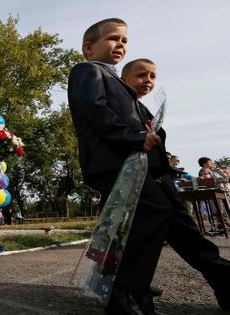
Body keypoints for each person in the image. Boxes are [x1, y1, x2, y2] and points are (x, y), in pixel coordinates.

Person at [68, 18, 230, 315]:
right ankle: (123, 291)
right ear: (88, 48)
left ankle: (138, 291)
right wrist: (132, 137)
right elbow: (93, 110)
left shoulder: (121, 86)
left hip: (146, 169)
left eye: (125, 41)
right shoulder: (87, 70)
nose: (120, 45)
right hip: (114, 163)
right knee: (155, 212)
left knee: (175, 222)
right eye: (113, 38)